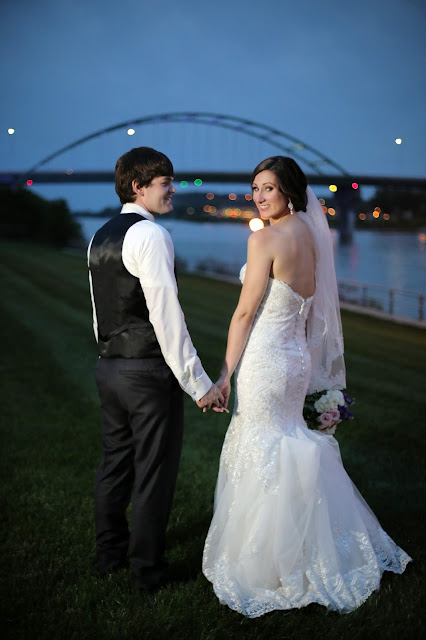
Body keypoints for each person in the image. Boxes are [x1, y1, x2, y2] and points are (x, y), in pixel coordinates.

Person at [202, 156, 411, 616]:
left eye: (268, 188)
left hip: (265, 361)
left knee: (261, 447)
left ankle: (270, 560)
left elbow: (243, 313)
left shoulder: (265, 238)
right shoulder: (313, 236)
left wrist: (224, 374)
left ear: (289, 192)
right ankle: (316, 545)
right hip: (295, 361)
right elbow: (312, 308)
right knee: (288, 441)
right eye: (255, 187)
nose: (258, 196)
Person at [88, 146, 225, 591]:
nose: (173, 190)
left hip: (110, 367)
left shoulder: (100, 234)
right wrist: (198, 383)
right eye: (165, 183)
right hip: (147, 372)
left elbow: (99, 312)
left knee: (115, 465)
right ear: (138, 186)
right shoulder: (152, 236)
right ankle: (145, 572)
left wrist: (109, 352)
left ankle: (109, 555)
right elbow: (167, 315)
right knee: (153, 473)